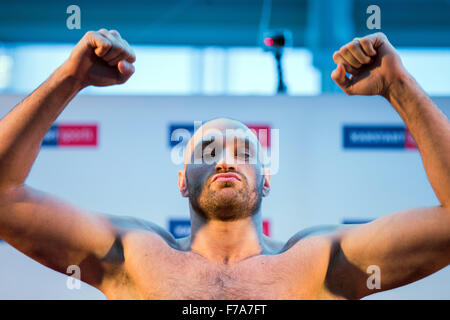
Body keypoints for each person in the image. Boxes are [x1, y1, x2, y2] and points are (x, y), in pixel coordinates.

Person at [0, 29, 448, 300]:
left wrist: (400, 86)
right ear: (182, 180)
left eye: (245, 152)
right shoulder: (133, 255)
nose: (227, 159)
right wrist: (69, 77)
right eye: (208, 151)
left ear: (266, 181)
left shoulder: (324, 260)